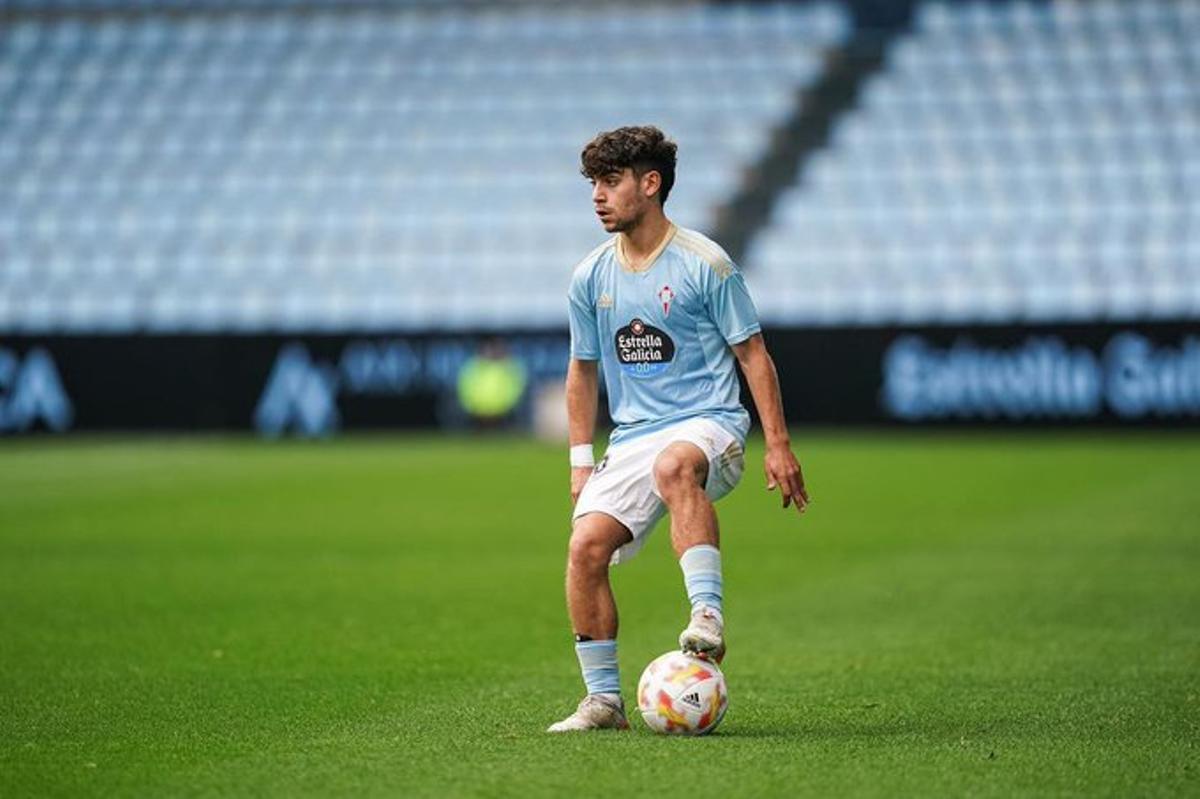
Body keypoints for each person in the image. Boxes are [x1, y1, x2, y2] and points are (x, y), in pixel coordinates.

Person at [547, 126, 809, 733]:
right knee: (585, 549)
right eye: (593, 183)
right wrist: (580, 460)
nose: (597, 196)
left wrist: (778, 445)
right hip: (633, 437)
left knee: (674, 466)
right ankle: (603, 702)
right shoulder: (589, 276)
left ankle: (707, 616)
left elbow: (753, 356)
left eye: (610, 181)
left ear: (650, 183)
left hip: (709, 424)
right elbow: (581, 371)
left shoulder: (706, 264)